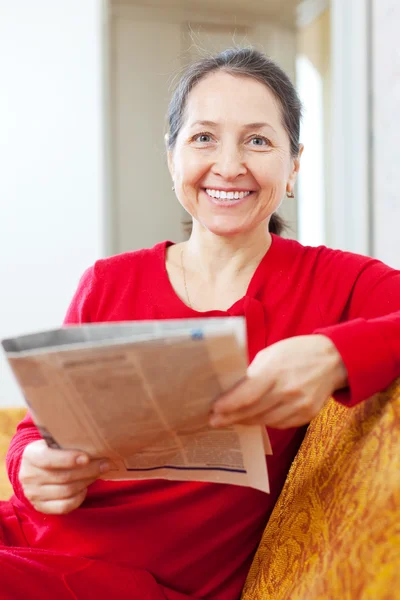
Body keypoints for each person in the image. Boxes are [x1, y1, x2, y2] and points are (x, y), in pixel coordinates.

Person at [1, 47, 400, 600]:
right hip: (28, 544)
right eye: (203, 137)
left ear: (294, 166)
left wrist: (332, 355)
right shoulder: (108, 281)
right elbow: (34, 430)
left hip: (140, 584)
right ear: (172, 159)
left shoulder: (335, 281)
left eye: (258, 140)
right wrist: (31, 467)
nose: (230, 165)